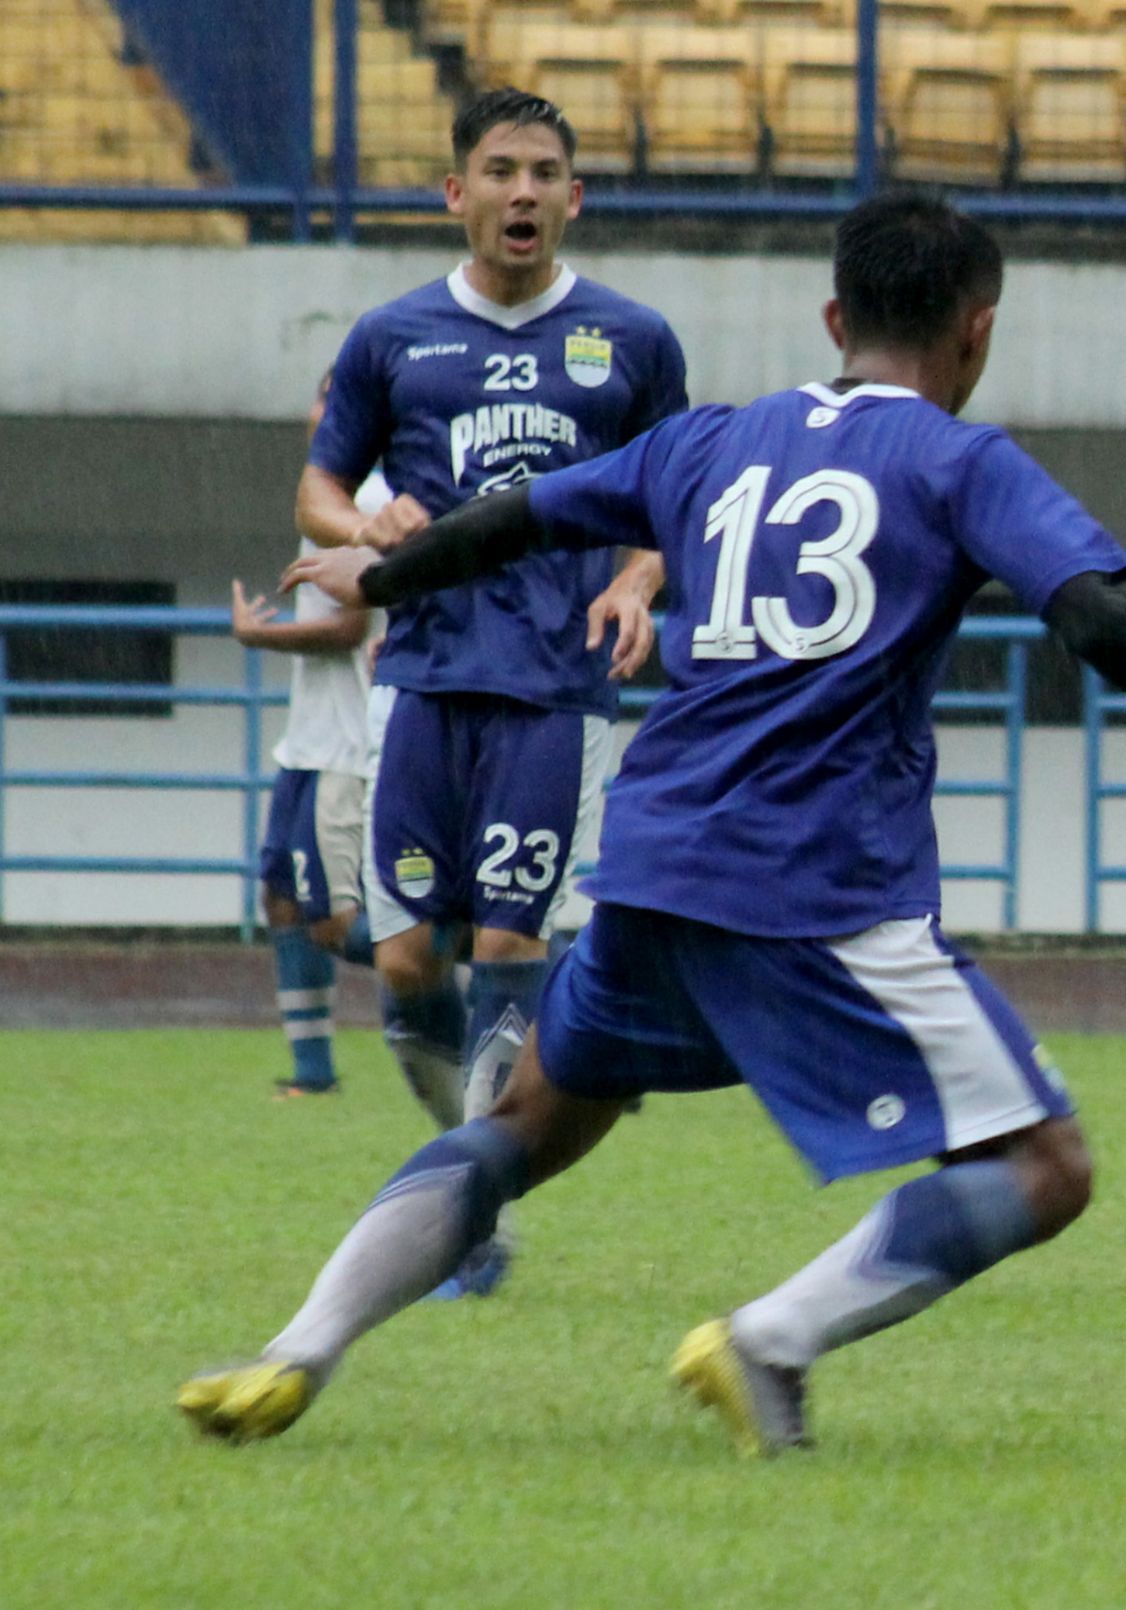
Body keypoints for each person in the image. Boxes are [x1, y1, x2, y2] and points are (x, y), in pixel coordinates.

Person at [177, 192, 1126, 1455]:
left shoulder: (707, 442)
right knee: (1046, 1166)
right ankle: (768, 1340)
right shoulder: (958, 460)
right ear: (977, 332)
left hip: (652, 862)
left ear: (833, 315)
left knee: (524, 1126)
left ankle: (294, 1348)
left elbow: (516, 516)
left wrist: (378, 575)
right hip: (815, 882)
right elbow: (1095, 623)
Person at [297, 88, 687, 1294]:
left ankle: (467, 1207)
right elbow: (317, 490)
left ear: (576, 197)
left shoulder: (631, 340)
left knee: (512, 936)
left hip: (555, 690)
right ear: (454, 192)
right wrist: (367, 516)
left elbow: (674, 500)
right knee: (406, 964)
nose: (524, 192)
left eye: (546, 173)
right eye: (501, 170)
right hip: (418, 678)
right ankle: (485, 1139)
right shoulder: (390, 338)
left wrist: (634, 585)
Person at [238, 380, 385, 1098]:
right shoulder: (330, 495)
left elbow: (351, 626)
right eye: (320, 397)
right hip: (307, 743)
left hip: (349, 751)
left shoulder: (370, 502)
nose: (321, 413)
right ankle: (312, 1073)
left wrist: (258, 634)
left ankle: (527, 975)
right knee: (281, 898)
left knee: (334, 921)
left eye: (337, 399)